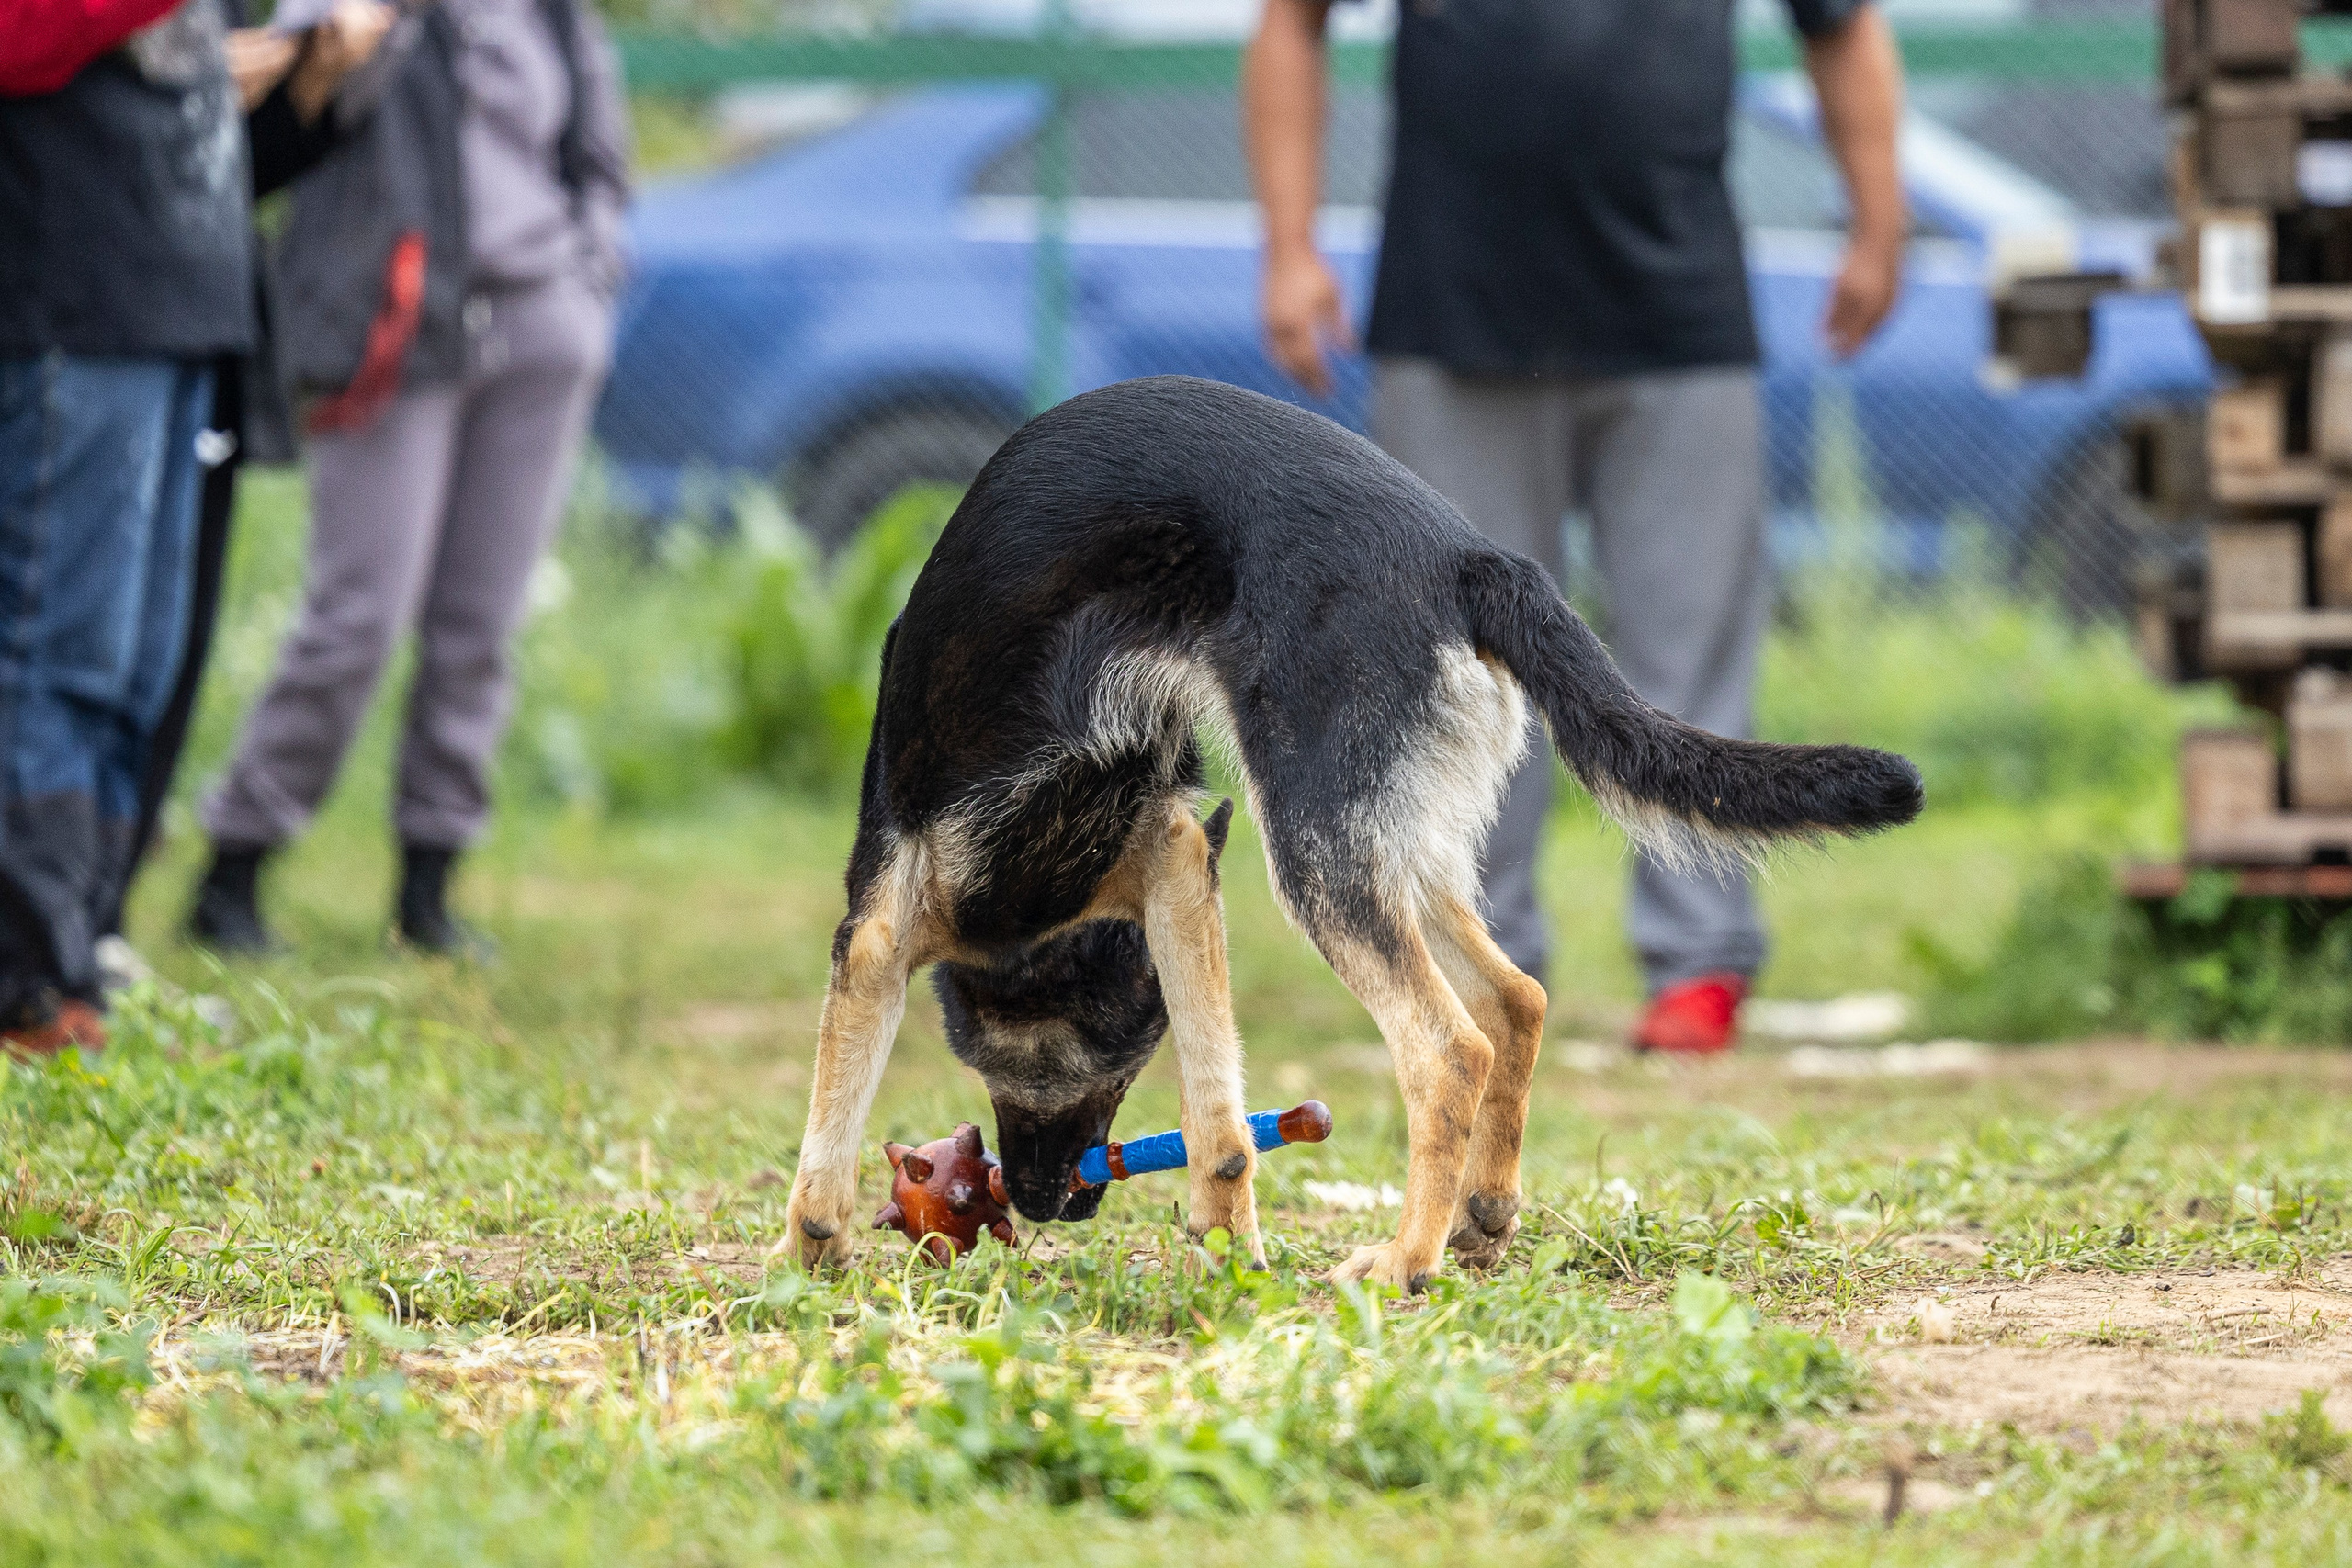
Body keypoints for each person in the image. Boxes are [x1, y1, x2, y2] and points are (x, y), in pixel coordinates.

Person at [1243, 0, 1906, 1054]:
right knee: (1447, 669)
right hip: (1452, 312)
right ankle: (1475, 961)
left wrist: (1879, 221)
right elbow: (1291, 21)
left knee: (1690, 652)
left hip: (1676, 316)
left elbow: (1843, 23)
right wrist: (1287, 247)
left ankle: (1698, 964)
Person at [187, 0, 632, 960]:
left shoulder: (551, 14)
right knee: (357, 617)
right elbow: (295, 118)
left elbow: (600, 156)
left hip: (539, 333)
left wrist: (588, 279)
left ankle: (428, 888)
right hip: (387, 332)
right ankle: (235, 862)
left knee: (480, 624)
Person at [92, 0, 394, 981]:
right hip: (85, 320)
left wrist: (307, 84)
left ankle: (94, 918)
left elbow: (242, 175)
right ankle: (46, 932)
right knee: (76, 642)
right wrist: (177, 98)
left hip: (205, 332)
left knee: (162, 648)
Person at [0, 0, 255, 1053]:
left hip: (180, 300)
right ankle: (26, 975)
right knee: (57, 649)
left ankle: (83, 949)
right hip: (74, 290)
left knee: (136, 669)